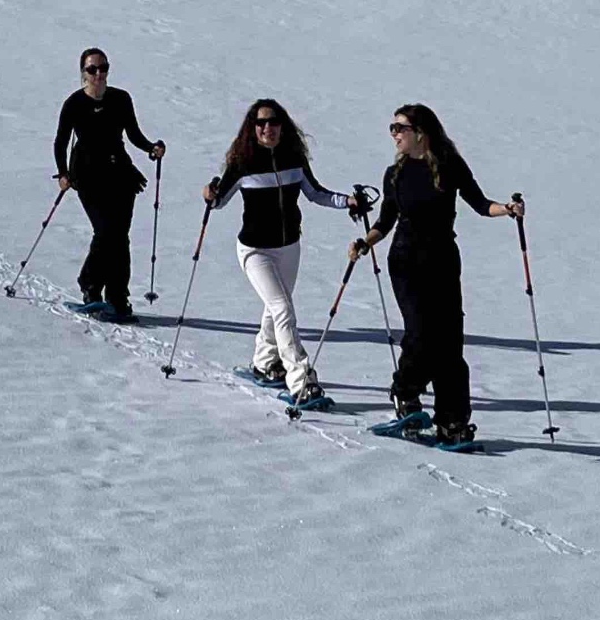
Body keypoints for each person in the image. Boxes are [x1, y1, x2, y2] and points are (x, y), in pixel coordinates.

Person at [351, 103, 522, 450]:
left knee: (450, 343)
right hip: (405, 261)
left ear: (421, 133)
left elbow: (480, 203)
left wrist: (507, 209)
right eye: (392, 128)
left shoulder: (450, 166)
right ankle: (406, 392)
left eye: (400, 128)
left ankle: (452, 420)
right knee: (421, 333)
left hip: (443, 261)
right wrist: (365, 242)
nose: (394, 134)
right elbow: (386, 220)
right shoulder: (395, 173)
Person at [205, 100, 362, 406]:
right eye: (261, 123)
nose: (268, 128)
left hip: (289, 247)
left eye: (274, 122)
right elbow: (218, 200)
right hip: (254, 250)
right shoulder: (243, 164)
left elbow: (316, 193)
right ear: (252, 128)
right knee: (282, 308)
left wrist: (348, 202)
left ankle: (265, 362)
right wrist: (209, 194)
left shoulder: (294, 159)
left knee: (277, 306)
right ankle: (301, 381)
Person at [53, 50, 163, 324]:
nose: (99, 74)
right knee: (105, 231)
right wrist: (63, 174)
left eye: (103, 68)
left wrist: (151, 148)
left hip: (120, 173)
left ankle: (117, 298)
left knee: (119, 236)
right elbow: (61, 142)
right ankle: (90, 285)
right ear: (83, 73)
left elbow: (133, 134)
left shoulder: (120, 99)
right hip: (87, 175)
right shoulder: (74, 104)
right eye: (92, 69)